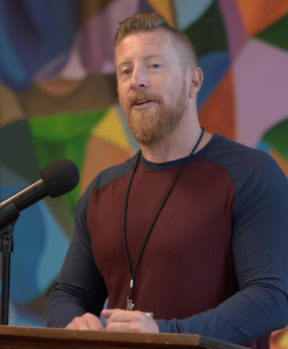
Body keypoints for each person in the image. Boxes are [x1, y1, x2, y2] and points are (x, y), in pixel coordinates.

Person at [45, 12, 288, 349]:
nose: (137, 81)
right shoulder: (102, 190)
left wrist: (164, 333)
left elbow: (272, 297)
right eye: (125, 71)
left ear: (194, 81)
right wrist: (73, 322)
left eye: (154, 66)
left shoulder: (252, 173)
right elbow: (68, 294)